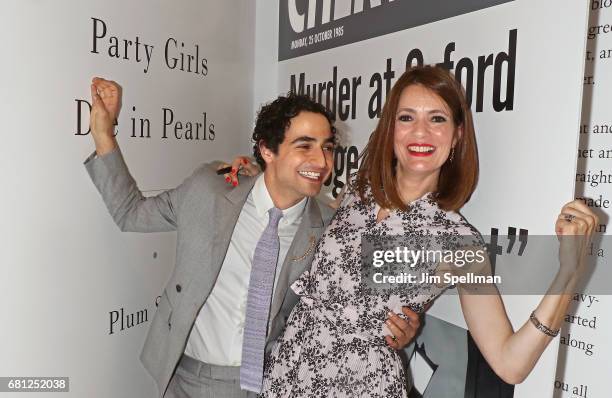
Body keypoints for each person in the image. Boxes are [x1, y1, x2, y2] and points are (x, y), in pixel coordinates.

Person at [254, 66, 598, 397]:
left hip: (361, 386)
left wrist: (568, 273)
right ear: (391, 129)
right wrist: (248, 176)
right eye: (407, 118)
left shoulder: (458, 243)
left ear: (457, 135)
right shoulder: (359, 189)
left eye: (437, 119)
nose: (420, 132)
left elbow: (510, 364)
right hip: (288, 373)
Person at [84, 78, 420, 398]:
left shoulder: (331, 229)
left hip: (276, 382)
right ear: (267, 150)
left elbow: (354, 310)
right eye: (304, 146)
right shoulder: (209, 191)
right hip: (187, 380)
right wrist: (103, 133)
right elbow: (130, 213)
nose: (321, 162)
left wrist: (399, 325)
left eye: (327, 148)